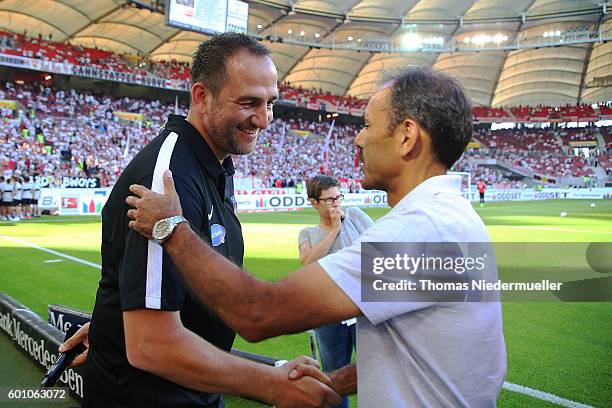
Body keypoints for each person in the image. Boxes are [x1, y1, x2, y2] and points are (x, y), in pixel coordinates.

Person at [123, 66, 507, 406]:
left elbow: (258, 312)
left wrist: (172, 228)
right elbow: (422, 351)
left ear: (407, 136)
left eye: (369, 125)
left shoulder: (423, 230)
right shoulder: (449, 216)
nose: (358, 140)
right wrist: (334, 381)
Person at [60, 33, 339, 408]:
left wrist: (113, 319)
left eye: (270, 103)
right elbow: (151, 345)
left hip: (194, 389)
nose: (264, 118)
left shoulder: (218, 162)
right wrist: (271, 384)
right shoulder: (166, 180)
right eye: (248, 102)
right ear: (201, 95)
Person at [298, 175, 373, 408]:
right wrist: (333, 230)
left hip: (364, 308)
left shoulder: (357, 216)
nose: (336, 203)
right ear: (314, 202)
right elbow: (308, 263)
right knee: (334, 375)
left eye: (338, 197)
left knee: (373, 371)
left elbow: (382, 247)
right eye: (329, 200)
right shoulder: (308, 233)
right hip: (327, 312)